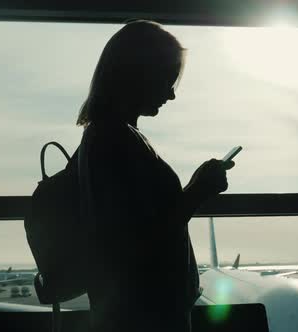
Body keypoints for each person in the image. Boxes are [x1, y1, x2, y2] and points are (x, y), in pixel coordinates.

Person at [76, 20, 233, 332]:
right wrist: (197, 192)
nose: (171, 95)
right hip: (146, 316)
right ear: (138, 75)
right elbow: (138, 239)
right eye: (167, 80)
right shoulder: (114, 139)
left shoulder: (107, 137)